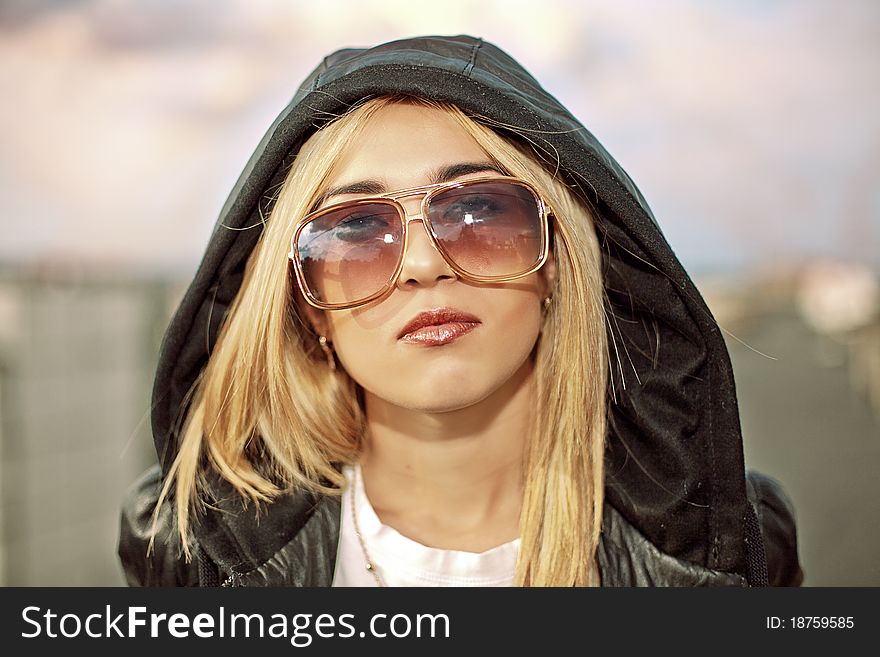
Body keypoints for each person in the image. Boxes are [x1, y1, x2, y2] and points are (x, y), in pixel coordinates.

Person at [118, 35, 802, 587]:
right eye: (354, 232)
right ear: (308, 307)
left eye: (479, 209)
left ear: (558, 255)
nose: (423, 264)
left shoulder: (725, 557)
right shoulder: (192, 561)